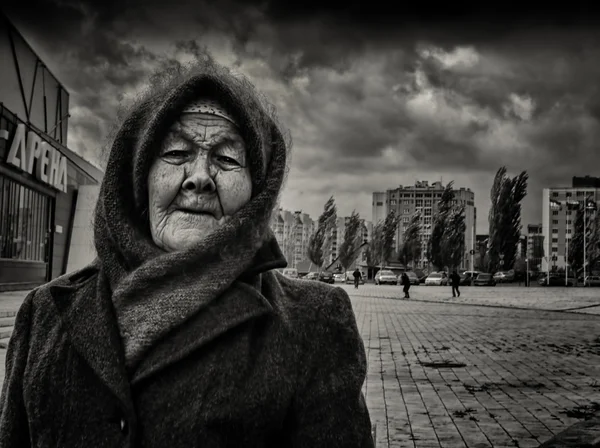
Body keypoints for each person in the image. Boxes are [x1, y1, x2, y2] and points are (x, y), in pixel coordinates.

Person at [0, 59, 374, 447]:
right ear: (138, 178)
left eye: (227, 159)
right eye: (176, 153)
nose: (200, 177)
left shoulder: (314, 324)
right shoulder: (43, 314)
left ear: (256, 191)